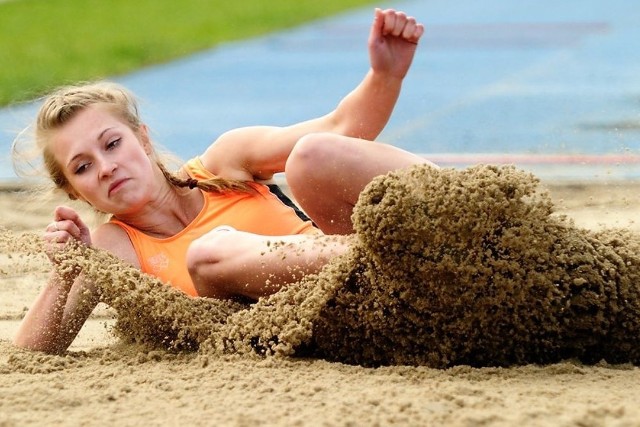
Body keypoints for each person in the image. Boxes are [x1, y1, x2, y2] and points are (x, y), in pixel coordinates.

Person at [12, 8, 436, 354]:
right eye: (82, 167)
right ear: (72, 190)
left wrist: (385, 76)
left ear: (143, 139)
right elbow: (33, 354)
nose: (105, 167)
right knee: (208, 254)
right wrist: (67, 272)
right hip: (343, 323)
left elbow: (343, 126)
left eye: (112, 144)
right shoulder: (114, 248)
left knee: (312, 153)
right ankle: (395, 250)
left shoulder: (225, 162)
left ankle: (460, 215)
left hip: (388, 286)